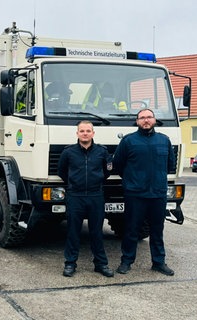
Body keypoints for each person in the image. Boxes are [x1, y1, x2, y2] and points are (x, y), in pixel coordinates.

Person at [113, 108, 176, 276]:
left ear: (154, 120)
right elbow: (118, 165)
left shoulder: (164, 140)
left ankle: (159, 262)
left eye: (149, 117)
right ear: (137, 121)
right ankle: (126, 262)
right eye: (142, 118)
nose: (146, 120)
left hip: (158, 194)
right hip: (135, 194)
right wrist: (132, 180)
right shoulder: (128, 141)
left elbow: (171, 165)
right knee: (131, 230)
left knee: (157, 230)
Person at [58, 120, 114, 277]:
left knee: (97, 232)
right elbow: (62, 171)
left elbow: (107, 172)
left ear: (93, 133)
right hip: (75, 196)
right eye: (82, 131)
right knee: (73, 232)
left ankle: (101, 264)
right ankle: (70, 264)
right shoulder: (68, 152)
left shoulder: (102, 152)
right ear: (77, 133)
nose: (85, 133)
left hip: (96, 196)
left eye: (88, 131)